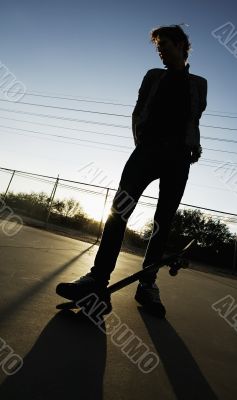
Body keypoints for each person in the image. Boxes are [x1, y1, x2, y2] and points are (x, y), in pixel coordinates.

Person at [56, 24, 208, 318]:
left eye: (164, 44)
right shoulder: (154, 75)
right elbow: (139, 111)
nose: (160, 50)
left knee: (163, 222)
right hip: (147, 152)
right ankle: (97, 278)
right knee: (119, 211)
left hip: (179, 160)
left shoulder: (199, 83)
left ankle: (147, 285)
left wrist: (195, 146)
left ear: (180, 44)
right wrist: (142, 144)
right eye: (157, 46)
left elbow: (194, 119)